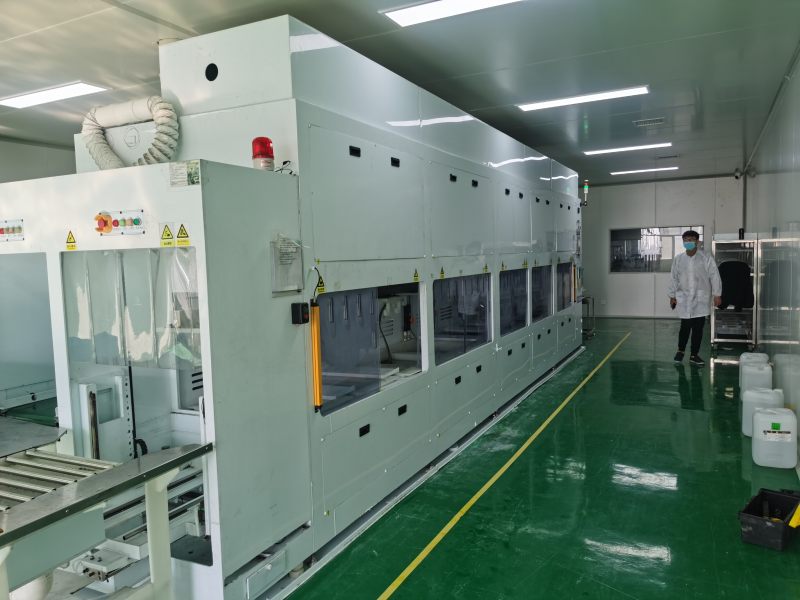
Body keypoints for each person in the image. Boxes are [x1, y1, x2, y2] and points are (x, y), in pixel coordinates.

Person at [667, 230, 722, 366]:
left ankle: (694, 355)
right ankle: (680, 351)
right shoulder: (678, 259)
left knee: (698, 328)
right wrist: (672, 296)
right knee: (685, 327)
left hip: (700, 299)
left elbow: (714, 276)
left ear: (697, 241)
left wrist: (717, 294)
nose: (688, 242)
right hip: (684, 299)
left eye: (691, 239)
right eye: (686, 240)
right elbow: (673, 278)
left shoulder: (706, 258)